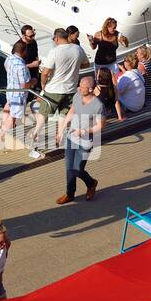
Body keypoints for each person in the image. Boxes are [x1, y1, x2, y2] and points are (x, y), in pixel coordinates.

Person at [32, 28, 88, 157]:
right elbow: (85, 64)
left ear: (57, 38)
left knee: (43, 113)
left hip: (54, 89)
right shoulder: (78, 49)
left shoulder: (55, 52)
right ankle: (60, 138)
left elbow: (45, 72)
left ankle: (36, 134)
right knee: (64, 114)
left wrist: (43, 85)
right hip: (71, 89)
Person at [56, 74, 103, 204]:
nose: (79, 88)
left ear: (90, 89)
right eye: (79, 85)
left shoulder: (97, 105)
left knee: (77, 169)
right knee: (69, 168)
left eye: (82, 87)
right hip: (72, 138)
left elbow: (100, 125)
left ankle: (91, 183)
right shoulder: (77, 96)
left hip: (85, 142)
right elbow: (72, 111)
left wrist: (85, 131)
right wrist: (62, 130)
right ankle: (70, 194)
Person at [1, 40, 35, 137]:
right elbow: (25, 85)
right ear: (23, 51)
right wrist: (33, 81)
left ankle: (3, 127)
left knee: (7, 108)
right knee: (13, 117)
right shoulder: (22, 67)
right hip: (19, 95)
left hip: (10, 90)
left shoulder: (9, 58)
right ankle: (5, 135)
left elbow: (6, 67)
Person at [113, 54, 146, 119]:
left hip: (132, 107)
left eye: (124, 60)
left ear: (128, 63)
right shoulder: (137, 73)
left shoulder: (126, 77)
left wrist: (113, 79)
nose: (123, 62)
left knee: (112, 96)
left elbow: (117, 92)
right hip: (140, 104)